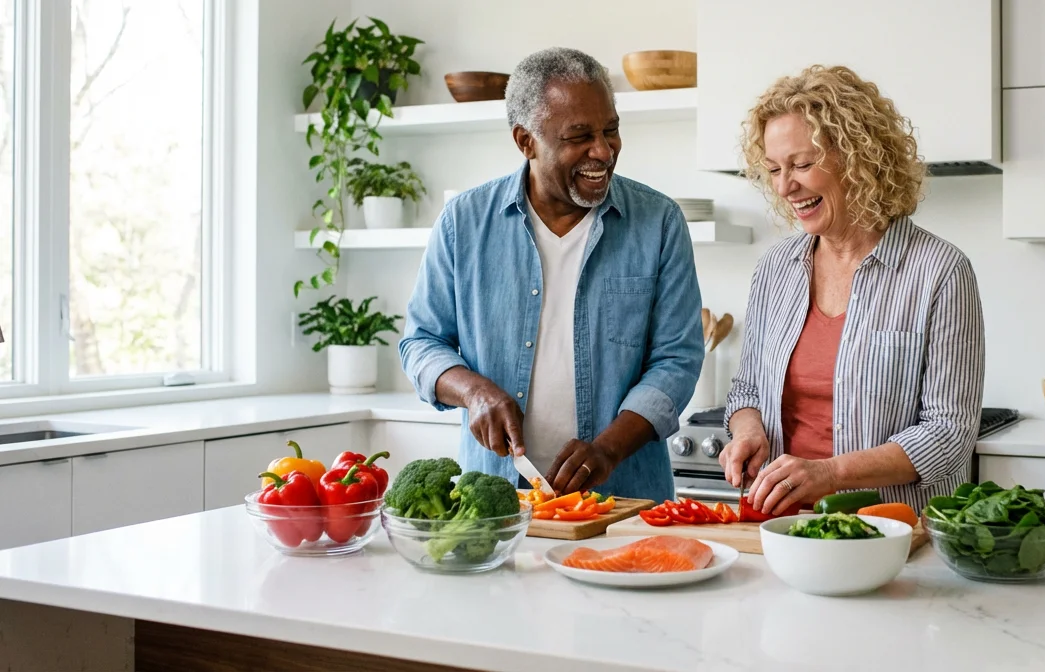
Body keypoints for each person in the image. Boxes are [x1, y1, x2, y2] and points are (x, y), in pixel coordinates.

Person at [399, 46, 703, 502]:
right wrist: (474, 392)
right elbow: (420, 343)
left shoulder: (659, 222)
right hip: (497, 504)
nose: (602, 150)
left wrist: (607, 450)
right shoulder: (463, 222)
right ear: (526, 141)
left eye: (611, 130)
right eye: (578, 136)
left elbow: (676, 359)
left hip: (626, 500)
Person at [718, 64, 986, 515]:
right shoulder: (775, 269)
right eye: (774, 169)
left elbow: (948, 435)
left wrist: (829, 474)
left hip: (892, 533)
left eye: (802, 164)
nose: (786, 186)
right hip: (784, 528)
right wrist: (747, 430)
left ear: (858, 157)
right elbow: (746, 390)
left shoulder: (939, 272)